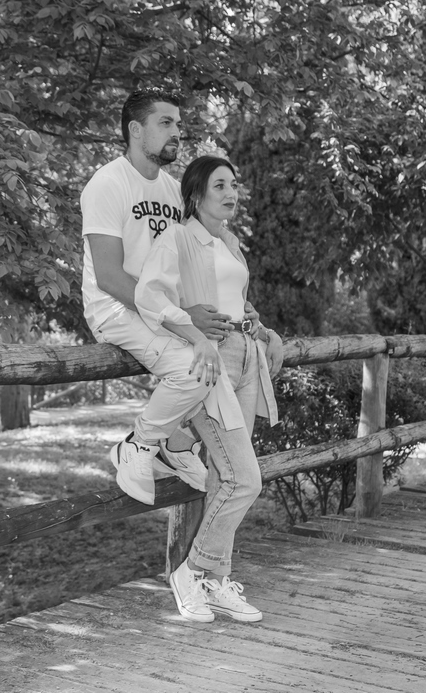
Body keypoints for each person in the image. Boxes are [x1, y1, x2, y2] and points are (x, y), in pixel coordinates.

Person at [81, 88, 257, 504]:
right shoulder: (107, 184)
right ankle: (139, 444)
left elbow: (197, 257)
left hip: (164, 310)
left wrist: (237, 309)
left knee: (211, 366)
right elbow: (108, 276)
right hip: (116, 310)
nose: (177, 131)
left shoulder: (173, 190)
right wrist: (182, 317)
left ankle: (174, 444)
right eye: (165, 123)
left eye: (178, 123)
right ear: (135, 129)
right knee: (194, 370)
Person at [135, 155, 284, 623]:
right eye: (220, 185)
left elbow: (235, 304)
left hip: (244, 355)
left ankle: (216, 582)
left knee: (224, 475)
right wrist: (190, 327)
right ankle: (191, 572)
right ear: (196, 195)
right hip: (209, 364)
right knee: (245, 478)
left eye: (234, 184)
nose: (231, 192)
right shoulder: (177, 237)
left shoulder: (230, 242)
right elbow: (149, 296)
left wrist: (262, 329)